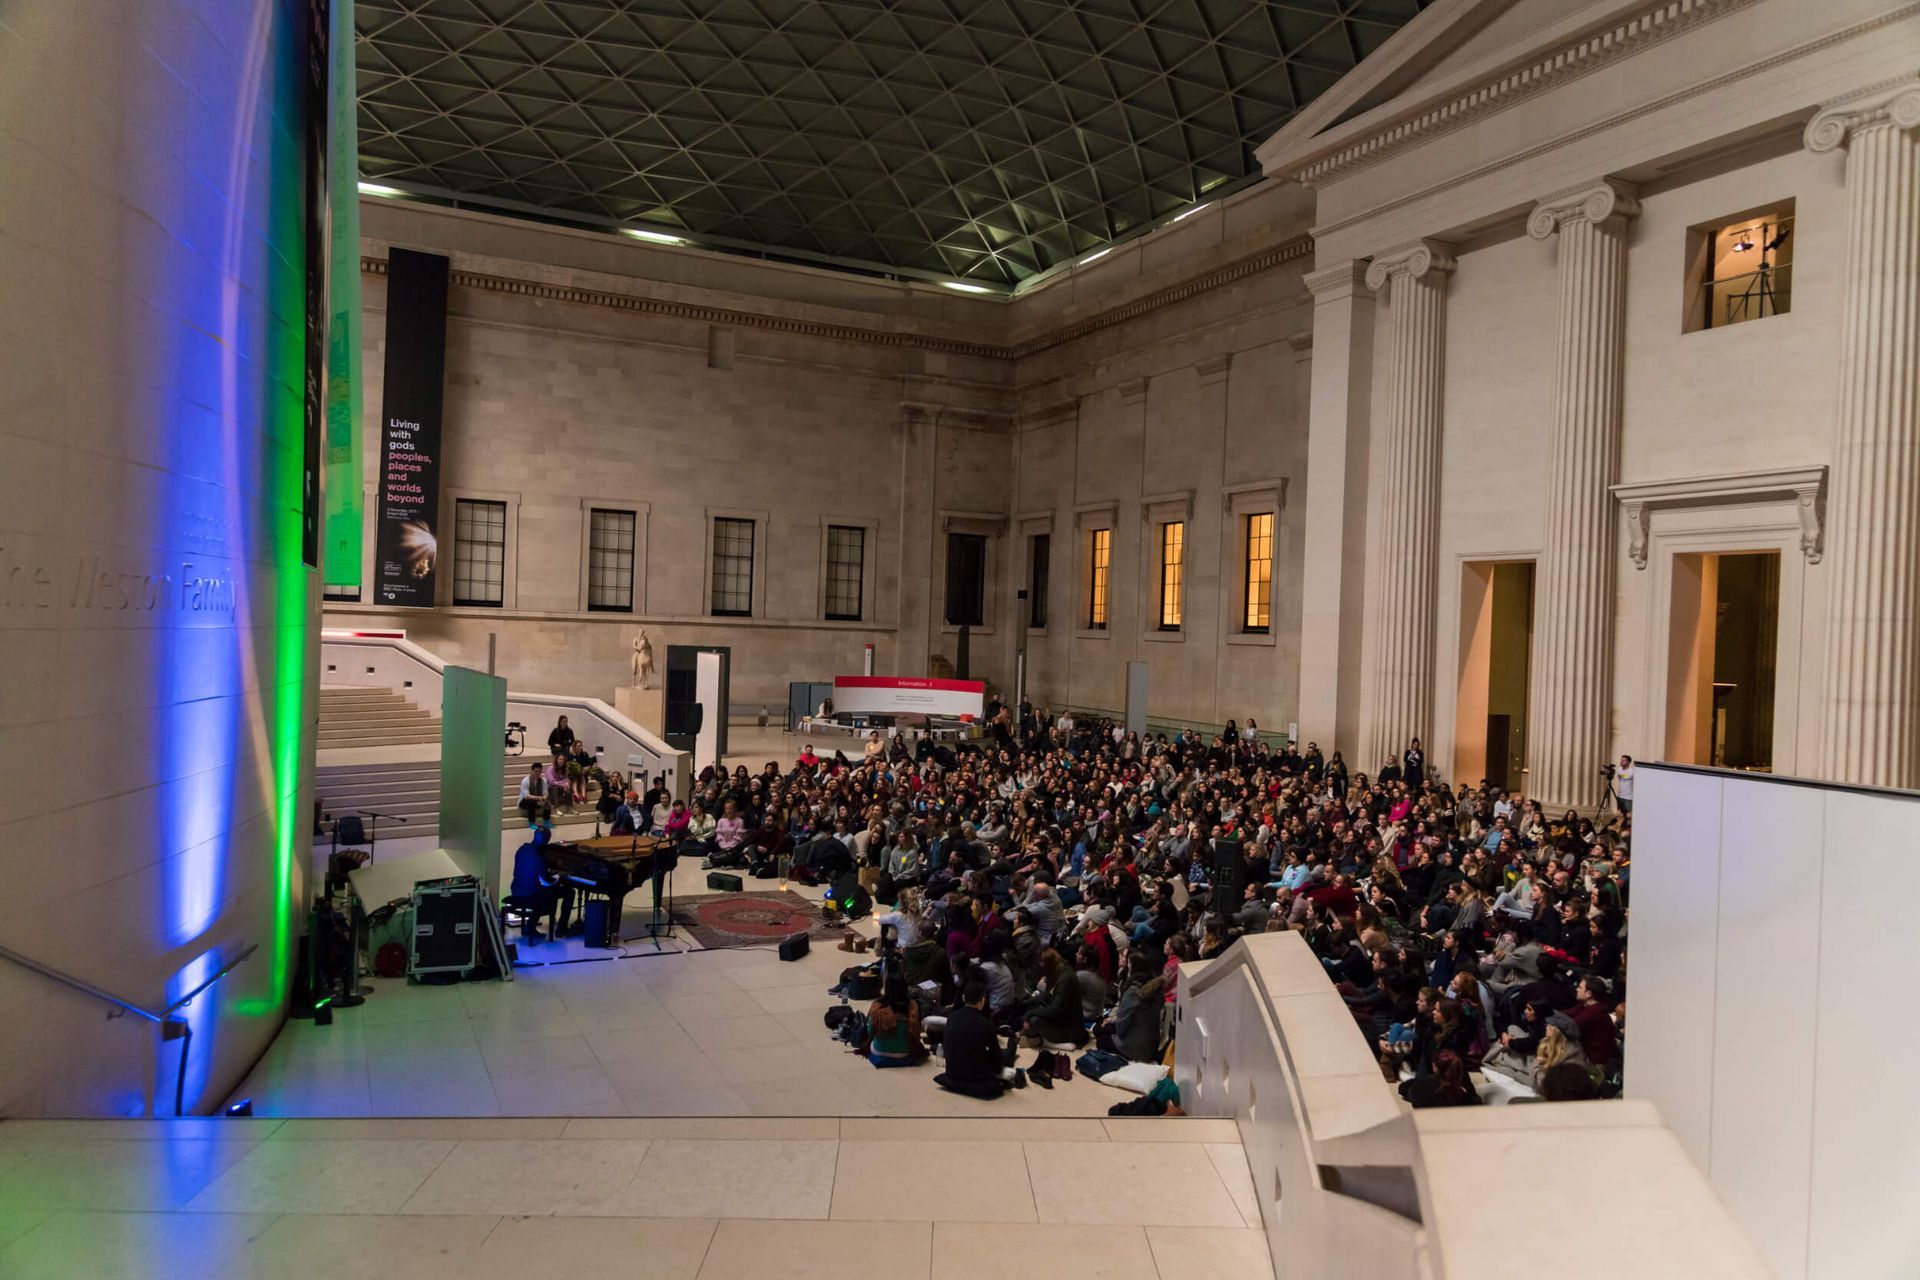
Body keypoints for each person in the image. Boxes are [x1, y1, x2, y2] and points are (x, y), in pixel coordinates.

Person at [933, 975, 1023, 1097]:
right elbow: (997, 1063)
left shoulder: (951, 1017)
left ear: (964, 998)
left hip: (952, 1071)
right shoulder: (986, 1024)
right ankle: (1013, 1042)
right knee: (1005, 1055)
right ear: (982, 1001)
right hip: (976, 1075)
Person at [507, 824, 572, 941]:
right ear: (546, 840)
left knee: (550, 891)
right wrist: (558, 876)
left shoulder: (521, 849)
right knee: (568, 892)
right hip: (530, 893)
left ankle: (531, 926)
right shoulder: (538, 857)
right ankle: (561, 928)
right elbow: (547, 881)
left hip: (516, 889)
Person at [867, 973, 926, 1068]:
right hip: (905, 1052)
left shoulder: (877, 1005)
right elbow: (917, 1031)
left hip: (880, 1051)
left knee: (871, 1044)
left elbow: (870, 1031)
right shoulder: (913, 1005)